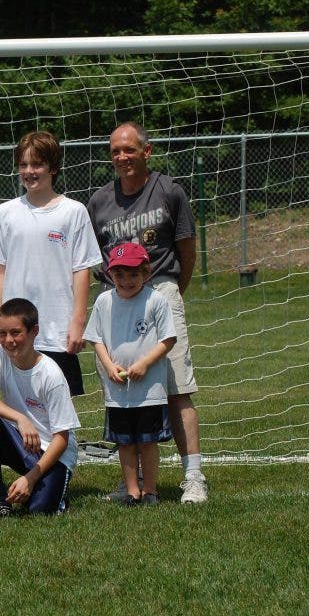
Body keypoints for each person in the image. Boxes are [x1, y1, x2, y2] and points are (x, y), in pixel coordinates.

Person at [86, 121, 208, 503]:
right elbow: (92, 256)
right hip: (115, 299)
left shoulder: (169, 191)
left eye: (129, 149)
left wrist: (171, 292)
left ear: (146, 151)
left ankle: (193, 477)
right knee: (123, 389)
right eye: (115, 151)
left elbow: (187, 250)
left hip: (160, 292)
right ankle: (133, 481)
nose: (122, 157)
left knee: (176, 388)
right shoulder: (99, 201)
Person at [0, 131, 102, 398]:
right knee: (18, 403)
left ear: (53, 167)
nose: (29, 171)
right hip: (16, 329)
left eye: (37, 164)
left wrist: (77, 321)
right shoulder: (4, 213)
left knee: (58, 405)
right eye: (23, 165)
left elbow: (81, 270)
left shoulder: (73, 211)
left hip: (56, 327)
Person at [0, 298, 82, 519]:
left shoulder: (51, 375)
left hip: (54, 454)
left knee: (38, 511)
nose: (8, 340)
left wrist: (30, 479)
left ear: (34, 332)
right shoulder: (0, 354)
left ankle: (51, 492)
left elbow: (62, 439)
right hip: (24, 442)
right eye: (3, 333)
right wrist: (20, 418)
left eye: (16, 333)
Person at [84, 243, 176, 505]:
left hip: (149, 390)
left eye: (134, 274)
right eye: (120, 275)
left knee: (147, 442)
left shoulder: (155, 300)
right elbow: (95, 338)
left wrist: (145, 363)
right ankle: (132, 491)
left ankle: (151, 490)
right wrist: (108, 365)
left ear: (146, 273)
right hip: (118, 392)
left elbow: (168, 339)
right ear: (110, 275)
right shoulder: (104, 301)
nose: (126, 280)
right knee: (124, 443)